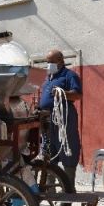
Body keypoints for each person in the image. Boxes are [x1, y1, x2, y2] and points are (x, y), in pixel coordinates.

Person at [39, 49, 82, 189]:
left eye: (51, 62)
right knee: (49, 151)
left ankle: (69, 187)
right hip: (47, 119)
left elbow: (78, 95)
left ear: (60, 61)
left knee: (67, 147)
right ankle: (50, 187)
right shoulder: (48, 78)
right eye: (47, 62)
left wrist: (62, 93)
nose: (49, 64)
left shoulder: (70, 75)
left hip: (64, 118)